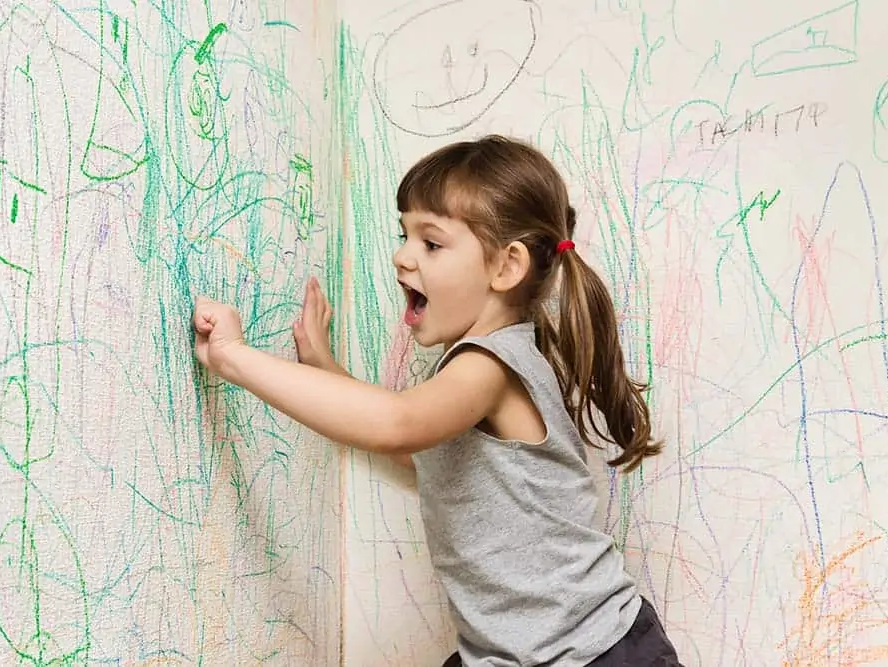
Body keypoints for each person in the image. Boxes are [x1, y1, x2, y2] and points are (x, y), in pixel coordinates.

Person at [192, 134, 682, 666]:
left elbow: (399, 425)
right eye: (403, 234)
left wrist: (235, 358)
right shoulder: (486, 364)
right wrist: (325, 371)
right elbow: (419, 451)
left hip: (593, 653)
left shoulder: (490, 366)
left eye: (431, 242)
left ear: (506, 267)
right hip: (518, 652)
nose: (402, 256)